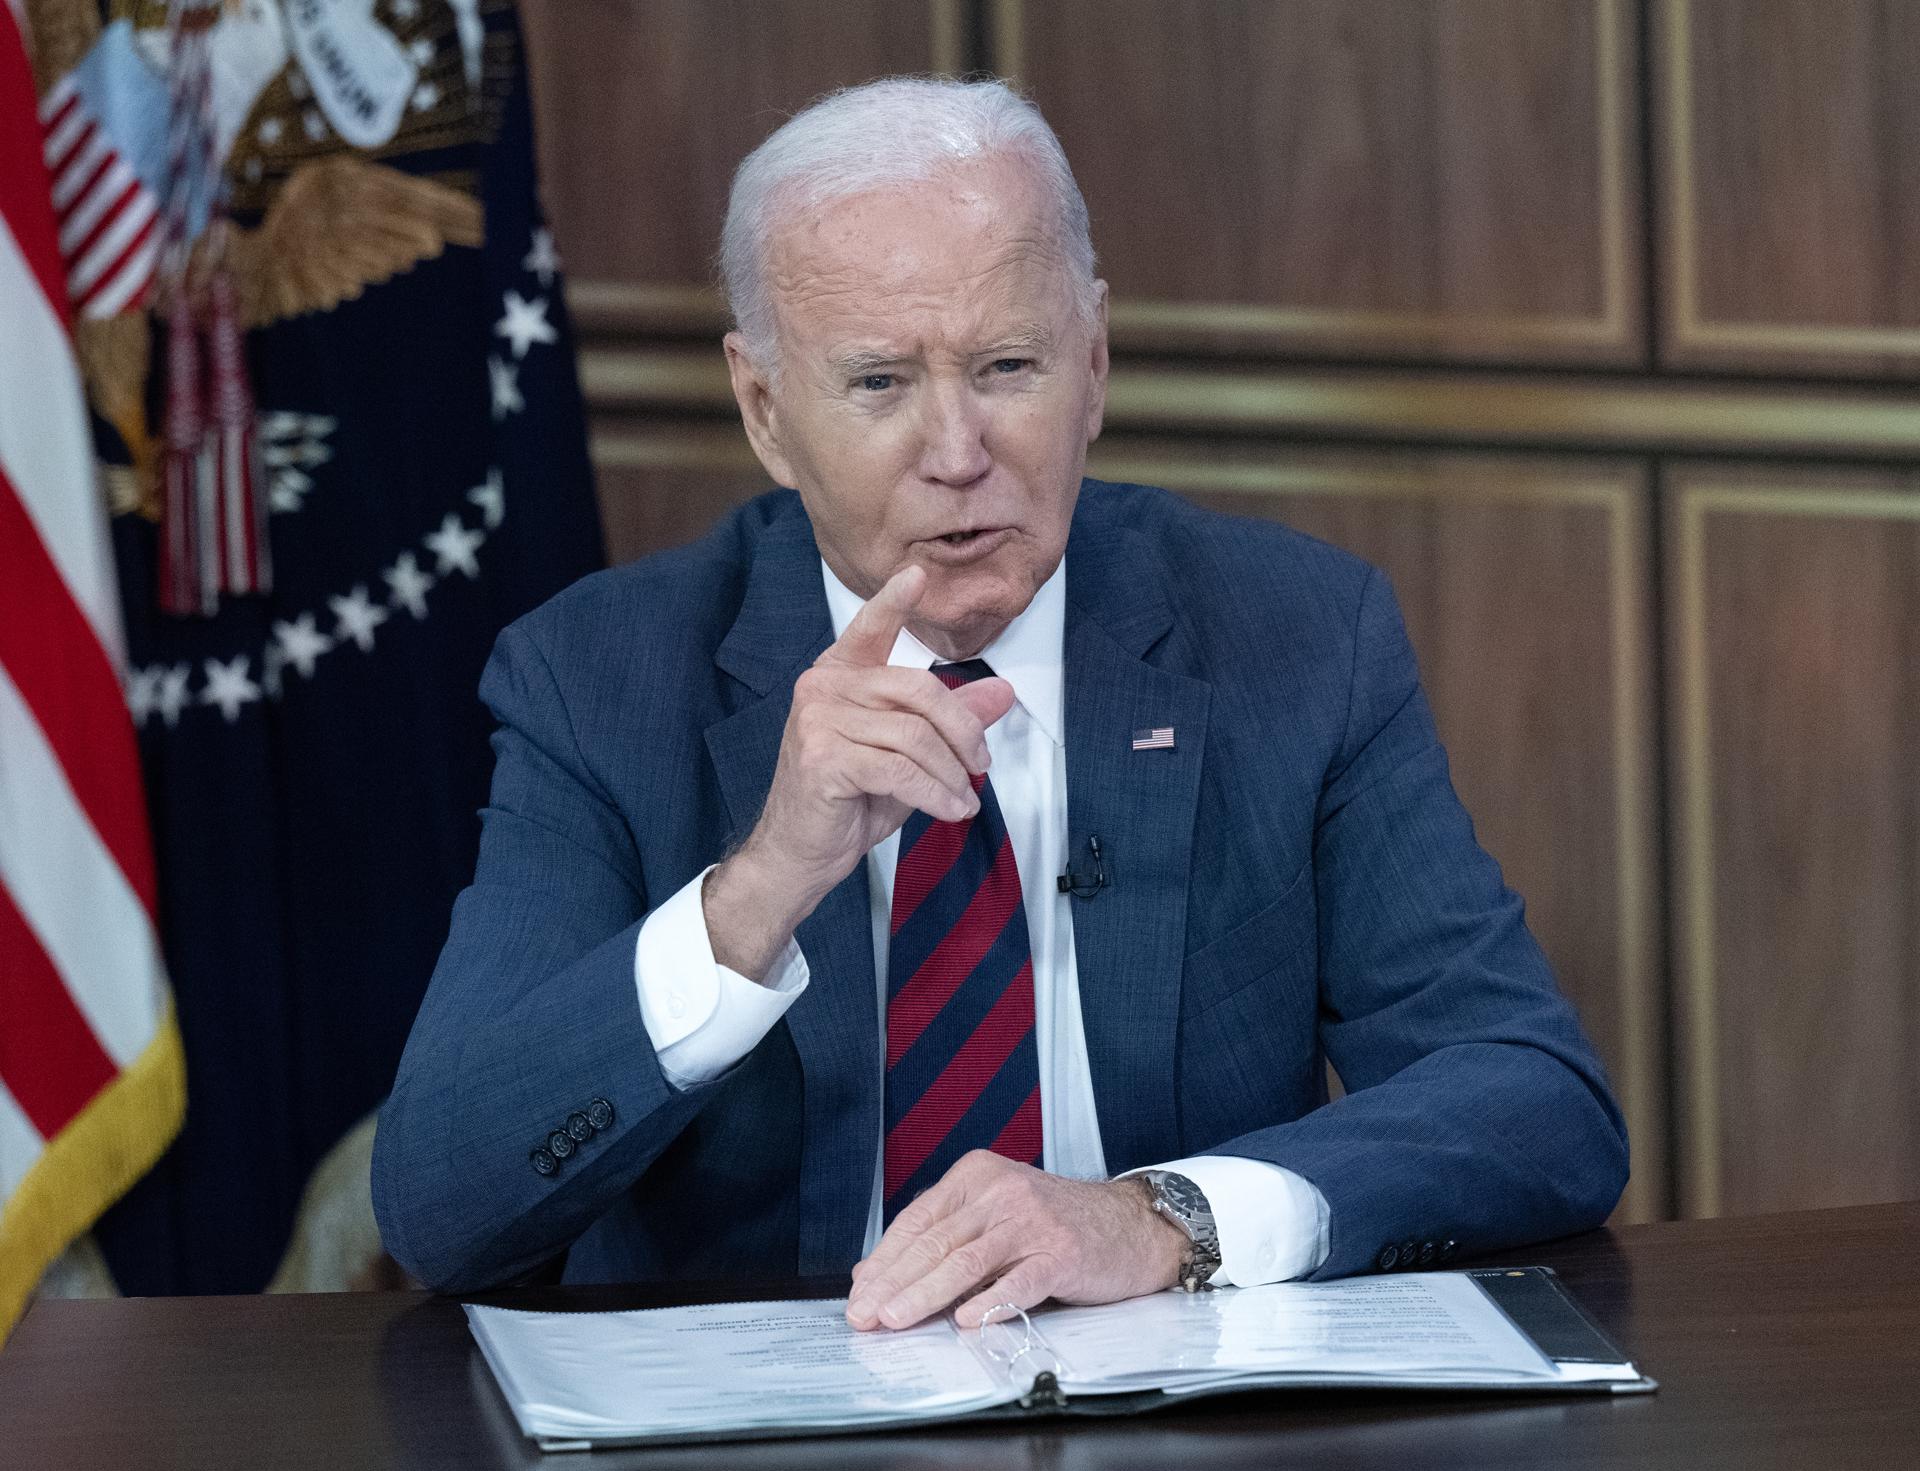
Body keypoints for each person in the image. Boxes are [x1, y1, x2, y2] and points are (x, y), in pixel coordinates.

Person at [371, 77, 1627, 1332]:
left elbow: (1532, 1098)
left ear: (1094, 362)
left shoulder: (1294, 639)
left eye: (1007, 365)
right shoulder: (600, 682)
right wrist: (754, 892)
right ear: (765, 411)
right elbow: (442, 1206)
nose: (958, 450)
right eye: (878, 384)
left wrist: (1165, 1218)